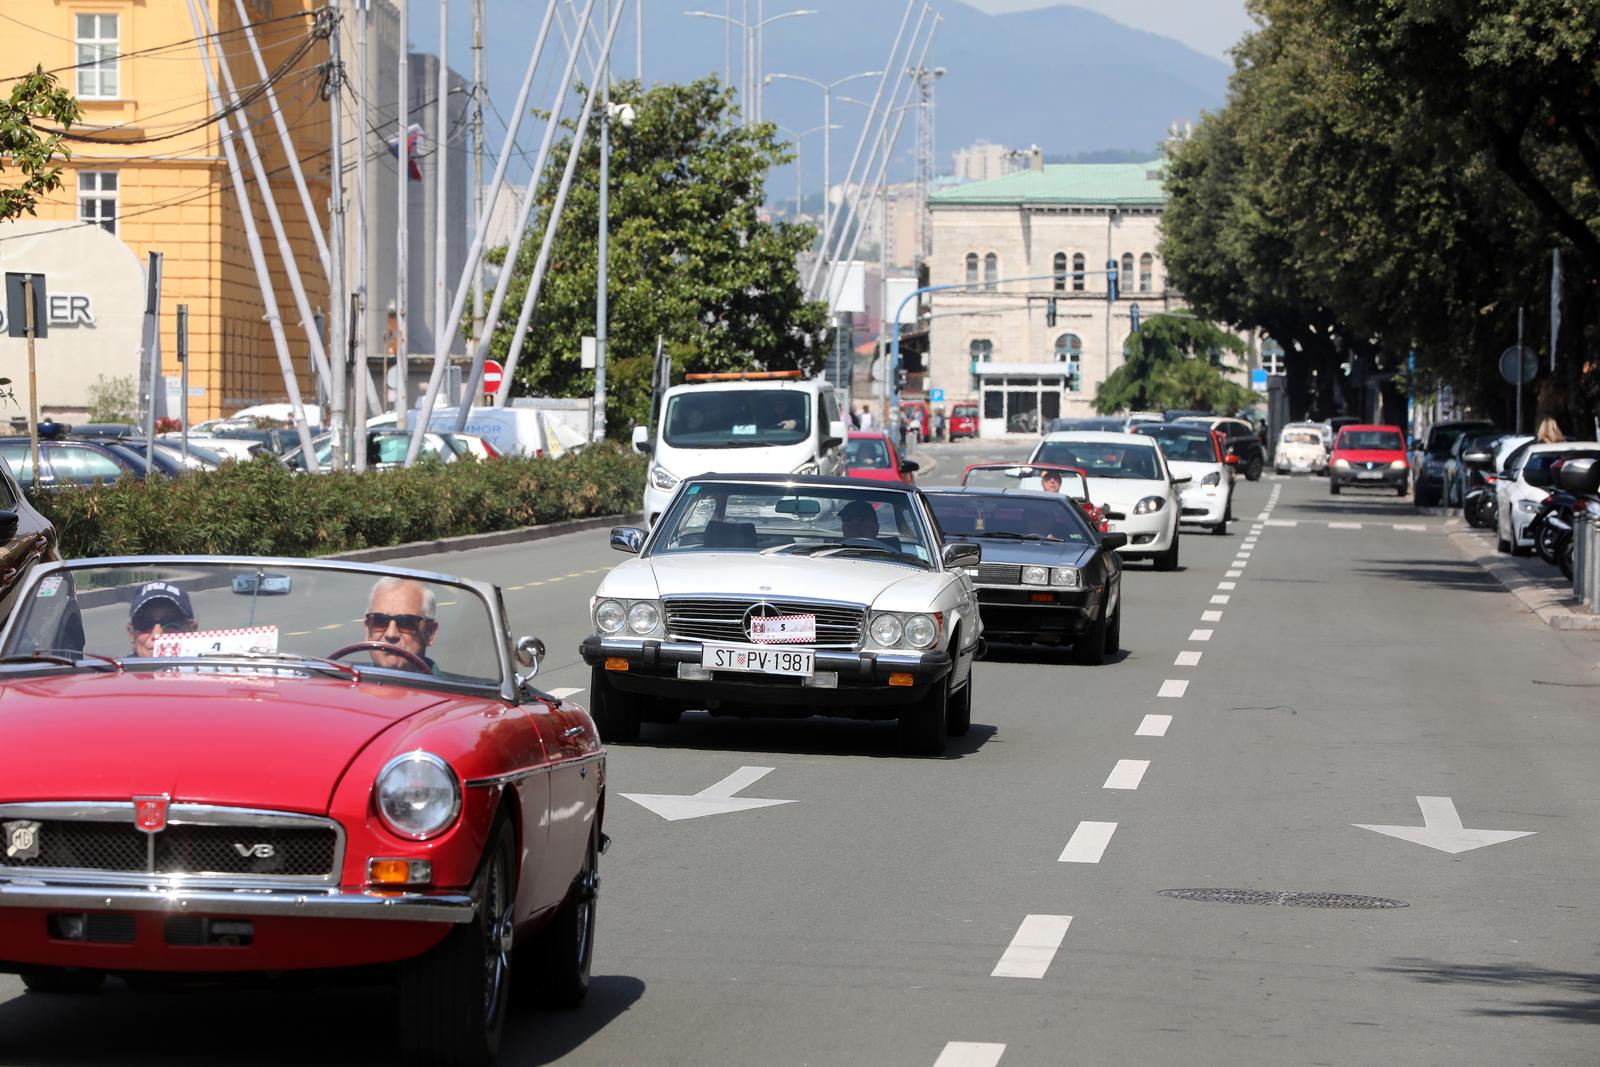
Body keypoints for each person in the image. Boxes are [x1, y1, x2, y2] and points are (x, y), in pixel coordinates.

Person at [365, 577, 440, 674]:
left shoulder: (446, 689)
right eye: (379, 621)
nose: (391, 634)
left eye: (406, 622)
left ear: (430, 633)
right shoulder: (347, 683)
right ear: (367, 630)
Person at [127, 581, 198, 657]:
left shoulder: (209, 666)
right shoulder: (117, 668)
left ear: (192, 631)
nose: (157, 635)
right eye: (145, 623)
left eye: (171, 622)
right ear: (131, 634)